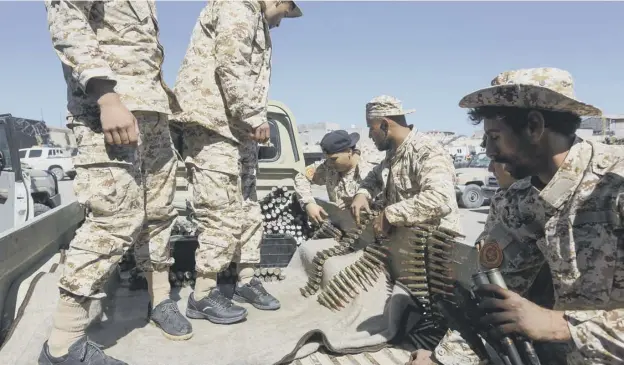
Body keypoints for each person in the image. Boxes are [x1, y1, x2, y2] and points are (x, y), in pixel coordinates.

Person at [411, 67, 624, 365]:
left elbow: (551, 325)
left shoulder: (614, 185)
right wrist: (441, 360)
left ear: (535, 126)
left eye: (494, 136)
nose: (488, 150)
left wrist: (559, 326)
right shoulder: (520, 200)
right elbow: (495, 295)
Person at [40, 1, 190, 364]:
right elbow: (68, 19)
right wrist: (106, 95)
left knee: (158, 214)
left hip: (152, 114)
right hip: (107, 112)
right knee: (114, 218)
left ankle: (160, 300)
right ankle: (63, 343)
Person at [172, 0, 302, 325]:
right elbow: (229, 63)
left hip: (236, 129)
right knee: (219, 210)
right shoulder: (237, 6)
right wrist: (254, 115)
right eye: (285, 13)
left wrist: (248, 119)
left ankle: (245, 280)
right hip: (213, 123)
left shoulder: (256, 17)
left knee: (247, 207)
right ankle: (202, 295)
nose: (281, 23)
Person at [351, 95, 461, 237]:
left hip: (436, 248)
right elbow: (375, 176)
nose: (370, 135)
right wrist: (362, 194)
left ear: (385, 125)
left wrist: (389, 215)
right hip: (407, 244)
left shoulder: (426, 151)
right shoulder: (393, 151)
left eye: (371, 129)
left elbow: (441, 198)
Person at [293, 130, 382, 224]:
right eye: (327, 159)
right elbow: (302, 176)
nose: (329, 163)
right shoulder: (328, 166)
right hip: (343, 228)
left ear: (349, 151)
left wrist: (365, 202)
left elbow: (390, 204)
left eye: (333, 159)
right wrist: (308, 203)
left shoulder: (372, 171)